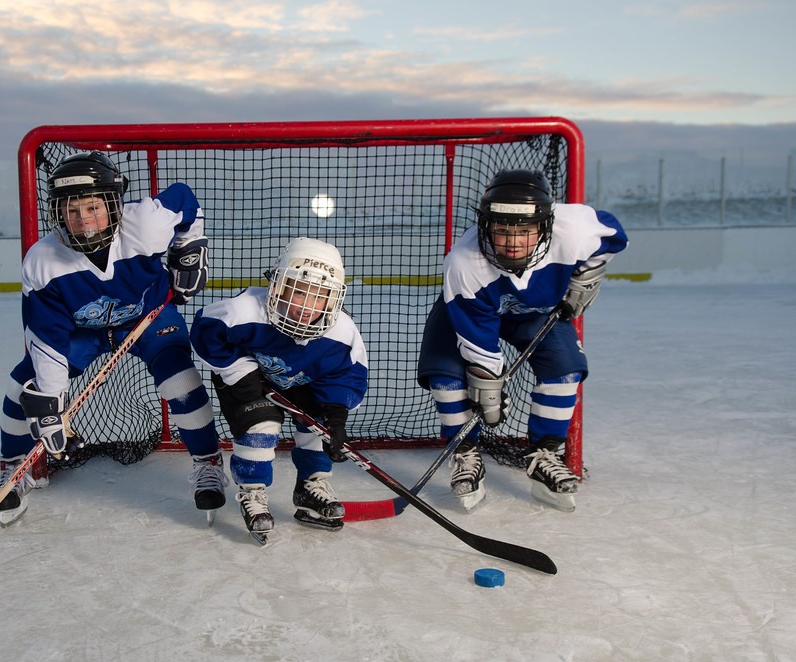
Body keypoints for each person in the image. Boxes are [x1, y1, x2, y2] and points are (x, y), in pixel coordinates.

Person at [0, 151, 225, 525]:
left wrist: (188, 248)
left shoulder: (145, 223)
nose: (83, 220)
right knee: (23, 385)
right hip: (82, 330)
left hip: (148, 316)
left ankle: (207, 464)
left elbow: (185, 199)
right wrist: (51, 402)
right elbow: (47, 337)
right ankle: (15, 466)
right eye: (71, 210)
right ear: (56, 212)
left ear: (114, 203)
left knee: (181, 379)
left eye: (92, 207)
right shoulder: (43, 261)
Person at [417, 168, 627, 512]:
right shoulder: (463, 263)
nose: (513, 242)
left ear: (544, 226)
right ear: (486, 225)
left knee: (566, 371)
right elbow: (478, 347)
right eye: (501, 230)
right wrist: (489, 389)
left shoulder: (573, 231)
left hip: (535, 312)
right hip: (471, 312)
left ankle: (543, 453)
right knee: (445, 377)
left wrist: (588, 273)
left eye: (525, 231)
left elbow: (615, 235)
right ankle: (465, 453)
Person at [190, 237, 369, 543]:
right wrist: (239, 372)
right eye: (298, 292)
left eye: (319, 297)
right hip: (246, 382)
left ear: (333, 300)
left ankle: (311, 488)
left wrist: (336, 416)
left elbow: (345, 373)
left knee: (318, 424)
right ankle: (253, 493)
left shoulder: (342, 332)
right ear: (278, 287)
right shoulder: (245, 310)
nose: (306, 306)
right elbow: (206, 330)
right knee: (261, 425)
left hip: (299, 384)